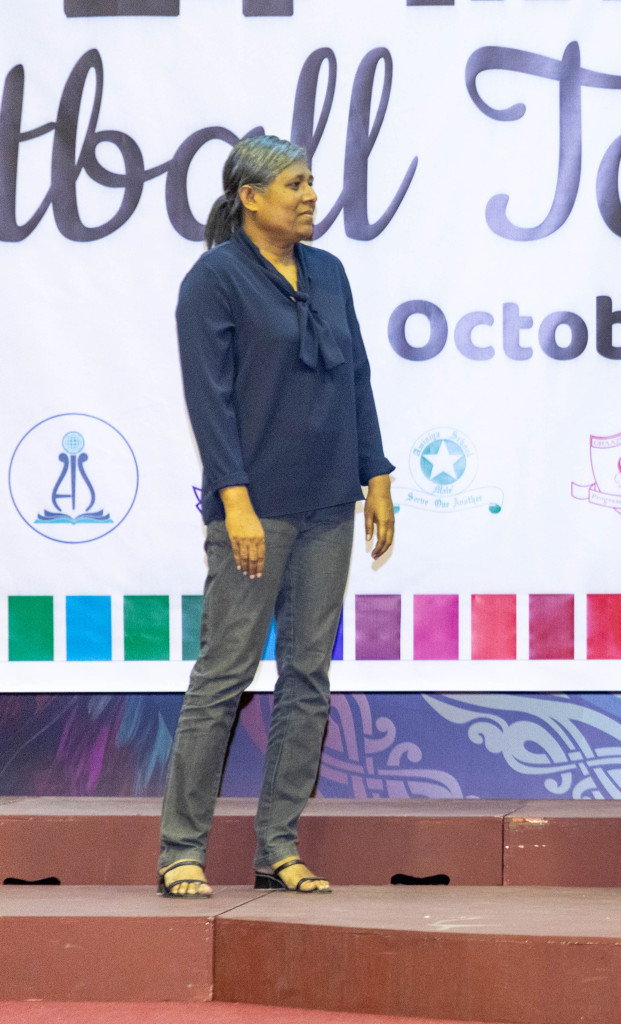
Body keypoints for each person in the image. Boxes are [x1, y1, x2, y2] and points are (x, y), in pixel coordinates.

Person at [157, 135, 395, 898]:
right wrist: (236, 504)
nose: (309, 195)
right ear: (250, 196)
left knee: (307, 678)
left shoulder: (329, 272)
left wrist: (377, 474)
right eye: (293, 184)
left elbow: (356, 374)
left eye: (311, 183)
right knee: (223, 673)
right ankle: (181, 851)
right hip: (255, 510)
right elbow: (210, 401)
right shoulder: (214, 281)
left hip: (330, 502)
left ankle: (278, 847)